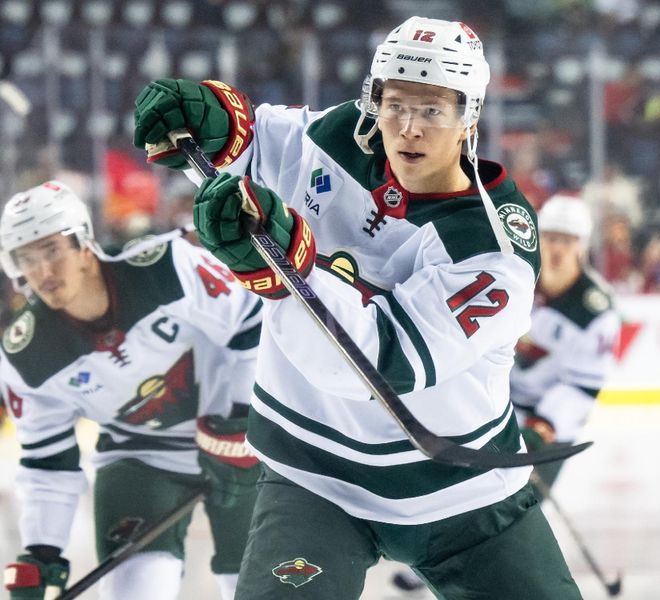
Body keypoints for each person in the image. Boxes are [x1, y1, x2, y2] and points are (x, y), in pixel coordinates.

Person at [133, 16, 582, 599]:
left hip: (461, 494)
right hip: (313, 474)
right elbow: (261, 144)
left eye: (432, 110)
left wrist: (286, 266)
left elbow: (379, 366)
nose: (408, 129)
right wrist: (210, 122)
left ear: (469, 115)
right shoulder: (344, 134)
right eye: (394, 104)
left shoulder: (493, 247)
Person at [0, 180, 263, 600]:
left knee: (257, 590)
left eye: (51, 250)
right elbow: (46, 460)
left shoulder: (168, 267)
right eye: (26, 258)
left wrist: (244, 414)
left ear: (83, 241)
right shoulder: (26, 353)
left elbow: (254, 318)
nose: (43, 272)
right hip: (140, 459)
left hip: (238, 444)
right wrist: (43, 551)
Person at [510, 194, 621, 495]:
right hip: (498, 410)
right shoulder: (514, 279)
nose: (557, 248)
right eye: (550, 237)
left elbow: (582, 387)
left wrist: (543, 424)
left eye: (567, 240)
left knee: (526, 510)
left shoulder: (595, 311)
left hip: (548, 428)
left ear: (582, 246)